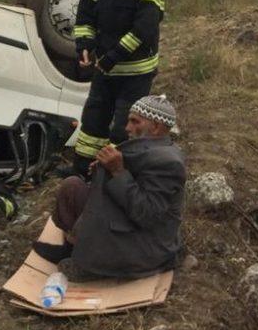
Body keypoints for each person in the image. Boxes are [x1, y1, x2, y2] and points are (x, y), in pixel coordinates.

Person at [36, 94, 185, 280]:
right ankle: (73, 249)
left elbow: (147, 214)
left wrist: (117, 171)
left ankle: (93, 267)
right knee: (72, 187)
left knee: (101, 203)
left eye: (135, 122)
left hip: (146, 247)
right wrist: (103, 171)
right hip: (130, 223)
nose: (127, 128)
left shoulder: (167, 163)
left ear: (155, 127)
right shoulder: (149, 148)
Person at [69, 0, 166, 178]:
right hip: (105, 68)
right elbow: (85, 15)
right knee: (93, 122)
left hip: (136, 72)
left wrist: (114, 56)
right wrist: (84, 45)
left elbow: (145, 27)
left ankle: (114, 177)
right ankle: (82, 171)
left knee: (124, 128)